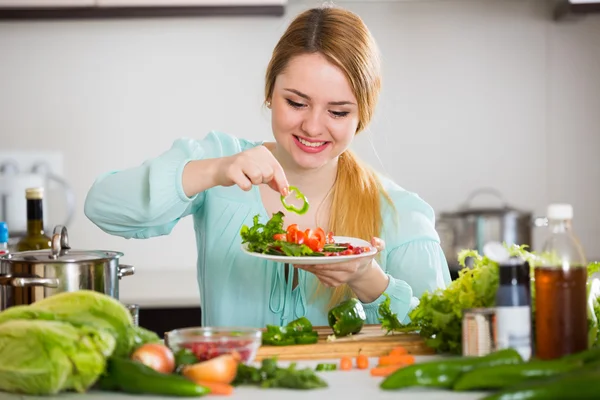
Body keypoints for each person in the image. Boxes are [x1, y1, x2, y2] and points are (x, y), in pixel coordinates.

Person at [84, 5, 451, 329]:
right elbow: (103, 207)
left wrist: (368, 279)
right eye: (296, 103)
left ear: (362, 115)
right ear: (270, 93)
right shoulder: (222, 160)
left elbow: (443, 333)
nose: (312, 127)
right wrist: (213, 171)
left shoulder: (400, 212)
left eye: (338, 112)